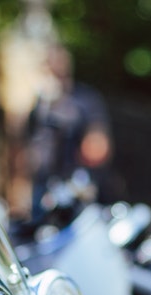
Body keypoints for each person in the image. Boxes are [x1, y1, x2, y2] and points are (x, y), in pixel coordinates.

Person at [24, 44, 113, 218]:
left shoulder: (84, 100)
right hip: (43, 183)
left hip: (74, 185)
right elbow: (27, 142)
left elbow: (99, 147)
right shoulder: (40, 104)